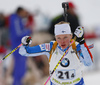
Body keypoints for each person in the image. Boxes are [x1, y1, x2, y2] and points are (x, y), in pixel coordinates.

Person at [19, 21, 93, 85]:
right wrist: (24, 44)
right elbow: (24, 52)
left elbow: (88, 63)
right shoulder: (51, 47)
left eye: (65, 37)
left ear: (71, 36)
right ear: (55, 37)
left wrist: (82, 42)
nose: (62, 41)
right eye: (59, 38)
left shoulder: (76, 47)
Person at [9, 7, 32, 85]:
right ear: (20, 11)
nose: (25, 14)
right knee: (19, 70)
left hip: (20, 46)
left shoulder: (18, 19)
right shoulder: (15, 19)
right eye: (24, 12)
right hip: (18, 46)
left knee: (21, 69)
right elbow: (18, 34)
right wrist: (28, 30)